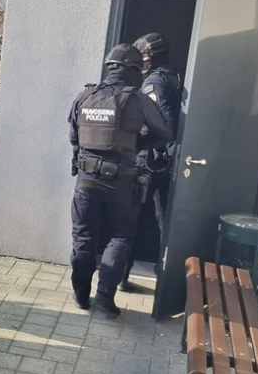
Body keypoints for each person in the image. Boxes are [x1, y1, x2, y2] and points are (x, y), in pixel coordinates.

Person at [68, 44, 172, 316]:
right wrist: (138, 144)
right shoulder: (138, 100)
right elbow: (164, 133)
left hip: (86, 180)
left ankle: (81, 296)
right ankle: (104, 296)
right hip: (121, 182)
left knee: (83, 237)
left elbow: (74, 137)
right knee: (121, 236)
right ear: (134, 70)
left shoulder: (85, 96)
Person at [124, 32, 183, 292]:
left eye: (142, 57)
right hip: (164, 161)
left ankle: (121, 276)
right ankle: (164, 276)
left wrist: (139, 145)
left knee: (130, 218)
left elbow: (163, 125)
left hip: (152, 162)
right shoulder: (173, 76)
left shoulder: (154, 81)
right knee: (163, 220)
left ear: (150, 56)